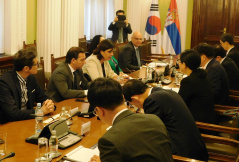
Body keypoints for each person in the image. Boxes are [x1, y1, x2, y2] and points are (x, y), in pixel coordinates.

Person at [88, 78, 173, 162]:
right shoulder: (154, 119)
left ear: (99, 110)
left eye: (96, 112)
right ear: (123, 98)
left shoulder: (109, 140)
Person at [122, 79, 208, 161]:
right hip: (196, 148)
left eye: (131, 103)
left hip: (182, 154)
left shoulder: (152, 101)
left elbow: (151, 133)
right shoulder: (164, 92)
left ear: (135, 99)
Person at [0, 49, 55, 124]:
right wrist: (40, 111)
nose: (38, 66)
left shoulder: (30, 78)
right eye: (36, 64)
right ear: (26, 68)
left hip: (28, 121)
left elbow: (42, 96)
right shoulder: (4, 83)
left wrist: (49, 103)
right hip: (9, 124)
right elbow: (13, 114)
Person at [178, 49, 216, 124]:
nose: (178, 63)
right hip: (208, 118)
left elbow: (180, 103)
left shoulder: (188, 81)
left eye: (179, 61)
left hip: (198, 123)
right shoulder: (202, 75)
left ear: (184, 64)